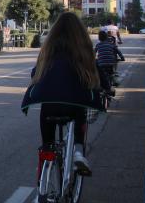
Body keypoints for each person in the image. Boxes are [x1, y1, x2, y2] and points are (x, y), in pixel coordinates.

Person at [22, 12, 106, 178]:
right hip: (74, 104)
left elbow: (35, 72)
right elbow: (97, 71)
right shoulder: (83, 49)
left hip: (50, 104)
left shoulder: (48, 49)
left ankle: (46, 157)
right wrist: (107, 88)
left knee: (46, 113)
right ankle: (78, 152)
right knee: (80, 112)